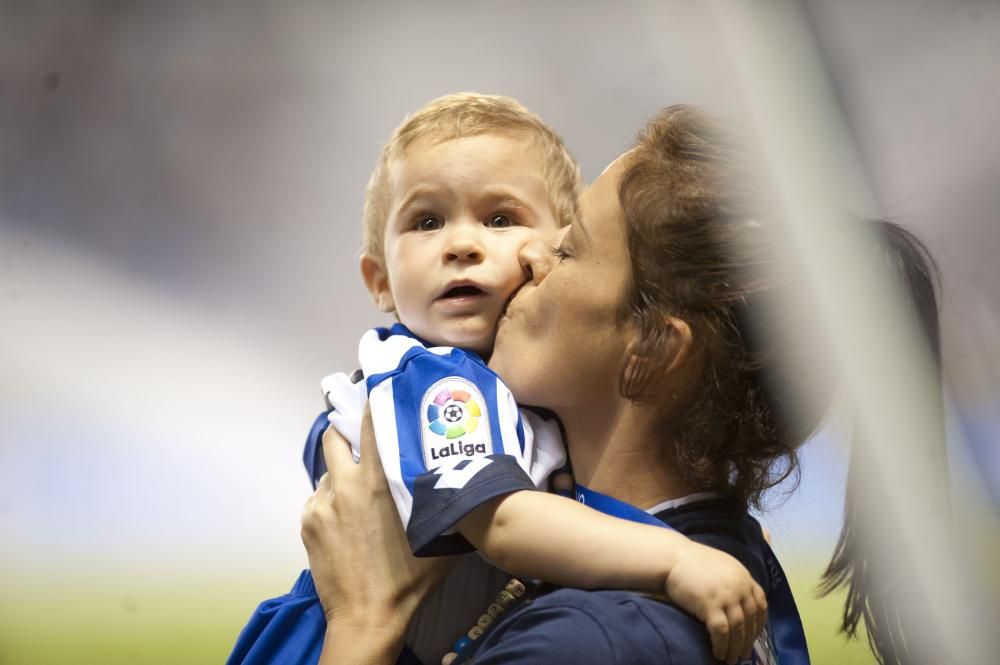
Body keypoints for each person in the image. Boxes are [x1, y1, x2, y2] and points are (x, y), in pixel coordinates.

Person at [302, 105, 945, 665]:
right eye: (427, 223)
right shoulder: (727, 553)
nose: (529, 254)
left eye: (571, 246)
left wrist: (361, 627)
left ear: (654, 346)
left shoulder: (590, 642)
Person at [229, 95, 765, 665]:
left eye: (501, 219)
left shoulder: (524, 394)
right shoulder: (433, 379)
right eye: (426, 222)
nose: (461, 244)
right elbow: (505, 522)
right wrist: (676, 558)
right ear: (380, 281)